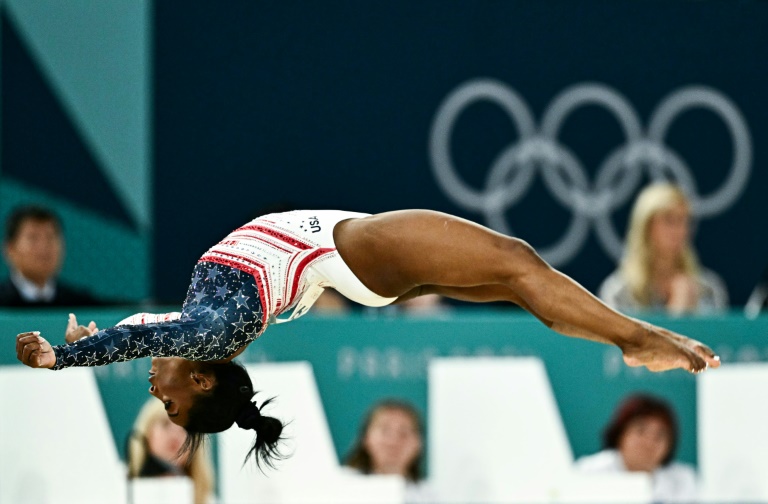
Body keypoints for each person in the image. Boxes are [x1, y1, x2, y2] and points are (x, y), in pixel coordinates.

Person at [15, 209, 721, 468]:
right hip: (350, 252)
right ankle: (634, 337)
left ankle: (629, 336)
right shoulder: (214, 332)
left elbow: (141, 334)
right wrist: (68, 355)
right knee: (515, 263)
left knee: (515, 278)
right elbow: (150, 340)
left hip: (352, 268)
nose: (155, 396)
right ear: (201, 379)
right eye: (169, 407)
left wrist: (80, 341)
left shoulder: (194, 339)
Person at [598, 183, 728, 315]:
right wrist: (678, 309)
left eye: (684, 221)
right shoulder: (618, 292)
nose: (681, 231)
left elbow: (718, 335)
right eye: (669, 220)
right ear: (646, 226)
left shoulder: (709, 289)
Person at [575, 394, 698, 503]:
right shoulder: (587, 473)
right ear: (620, 435)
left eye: (659, 435)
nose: (649, 442)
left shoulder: (683, 481)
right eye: (641, 431)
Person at [0, 204, 105, 307]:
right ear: (10, 249)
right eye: (33, 238)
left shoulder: (81, 306)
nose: (43, 247)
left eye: (50, 237)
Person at [345, 399, 438, 503]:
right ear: (366, 438)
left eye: (404, 433)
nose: (393, 441)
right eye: (385, 431)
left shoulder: (431, 497)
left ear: (418, 443)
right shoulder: (341, 487)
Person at [127, 398, 215, 504]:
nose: (175, 433)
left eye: (185, 427)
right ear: (146, 432)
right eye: (165, 424)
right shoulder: (119, 485)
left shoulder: (209, 499)